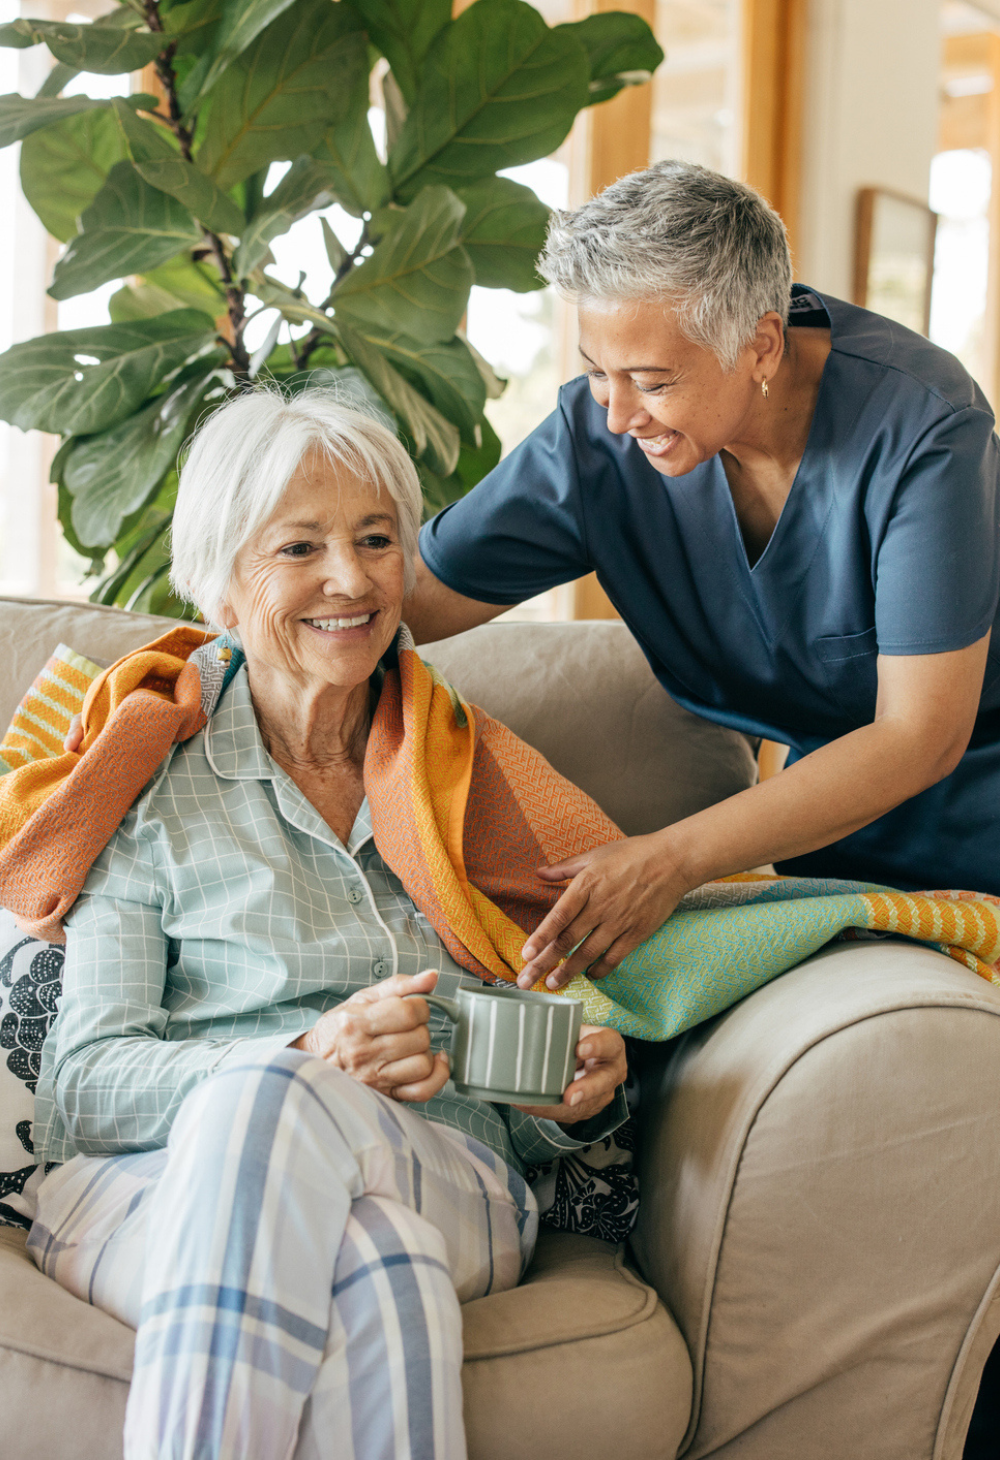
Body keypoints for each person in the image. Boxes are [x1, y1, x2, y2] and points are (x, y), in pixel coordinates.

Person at [25, 388, 628, 1460]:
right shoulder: (147, 782)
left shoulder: (470, 783)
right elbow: (85, 1084)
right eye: (299, 546)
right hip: (153, 1180)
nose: (349, 579)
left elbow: (532, 1105)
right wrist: (301, 1051)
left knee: (296, 1122)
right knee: (377, 1261)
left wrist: (572, 1092)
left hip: (449, 1168)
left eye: (376, 539)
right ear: (221, 580)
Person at [405, 159, 1000, 997]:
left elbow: (921, 734)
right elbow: (413, 596)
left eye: (652, 381)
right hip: (829, 852)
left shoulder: (922, 434)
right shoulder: (600, 437)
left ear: (760, 343)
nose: (617, 414)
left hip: (980, 825)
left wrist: (672, 858)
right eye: (597, 371)